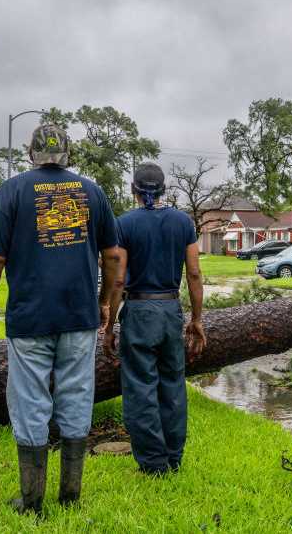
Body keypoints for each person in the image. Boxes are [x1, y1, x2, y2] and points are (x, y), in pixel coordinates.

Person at [0, 124, 121, 514]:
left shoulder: (11, 191)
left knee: (29, 400)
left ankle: (31, 501)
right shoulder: (93, 192)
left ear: (30, 153)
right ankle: (70, 496)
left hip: (30, 316)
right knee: (77, 396)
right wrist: (104, 302)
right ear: (68, 153)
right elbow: (114, 257)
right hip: (79, 315)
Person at [103, 162, 206, 476]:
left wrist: (110, 325)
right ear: (164, 190)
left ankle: (152, 463)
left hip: (139, 310)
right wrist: (197, 320)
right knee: (172, 385)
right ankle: (173, 457)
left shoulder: (124, 223)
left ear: (134, 190)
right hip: (171, 310)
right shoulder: (183, 222)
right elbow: (194, 273)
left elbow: (118, 280)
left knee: (140, 387)